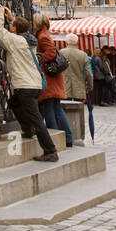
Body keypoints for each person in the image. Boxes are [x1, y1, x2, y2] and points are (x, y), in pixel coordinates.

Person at [0, 6, 58, 161]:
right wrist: (12, 17)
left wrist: (1, 14)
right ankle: (28, 129)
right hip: (34, 84)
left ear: (14, 29)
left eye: (12, 25)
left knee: (36, 119)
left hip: (25, 85)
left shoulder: (15, 41)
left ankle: (50, 151)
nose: (10, 26)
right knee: (14, 102)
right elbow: (21, 29)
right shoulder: (30, 40)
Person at [35, 17, 73, 148]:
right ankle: (67, 137)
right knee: (56, 107)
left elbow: (50, 52)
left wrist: (38, 59)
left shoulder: (42, 36)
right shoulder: (46, 34)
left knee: (49, 107)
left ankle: (55, 137)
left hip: (50, 77)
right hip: (54, 77)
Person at [62, 38, 94, 108]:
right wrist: (90, 86)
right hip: (79, 87)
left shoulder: (61, 52)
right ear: (77, 43)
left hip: (64, 86)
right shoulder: (83, 54)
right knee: (79, 111)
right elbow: (89, 73)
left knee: (65, 111)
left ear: (66, 42)